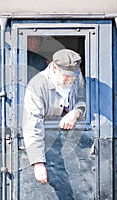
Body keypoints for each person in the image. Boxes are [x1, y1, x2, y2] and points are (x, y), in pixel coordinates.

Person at [22, 49, 86, 183]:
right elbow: (32, 124)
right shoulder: (37, 85)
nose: (70, 79)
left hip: (73, 145)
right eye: (66, 76)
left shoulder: (76, 74)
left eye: (72, 76)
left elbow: (83, 99)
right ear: (55, 68)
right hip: (48, 145)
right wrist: (38, 163)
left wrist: (75, 113)